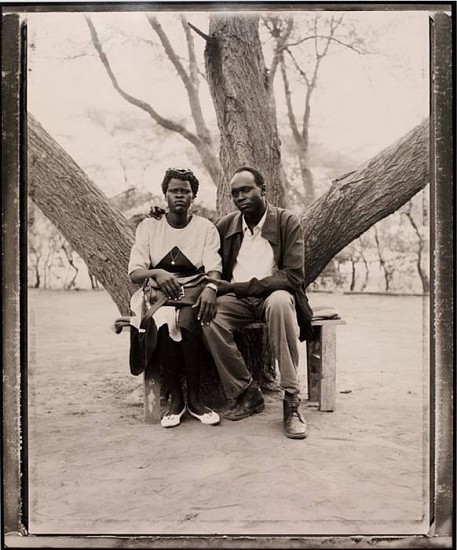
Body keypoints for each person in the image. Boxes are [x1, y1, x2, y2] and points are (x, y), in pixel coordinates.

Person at [202, 166, 313, 439]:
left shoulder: (288, 222)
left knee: (279, 303)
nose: (241, 197)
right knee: (208, 317)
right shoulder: (226, 225)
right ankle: (247, 391)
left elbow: (293, 277)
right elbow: (202, 250)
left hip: (273, 297)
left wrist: (239, 287)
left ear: (263, 190)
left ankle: (291, 400)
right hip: (238, 301)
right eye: (235, 193)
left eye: (247, 190)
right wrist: (160, 219)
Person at [128, 168, 222, 428]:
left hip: (194, 288)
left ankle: (195, 399)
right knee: (165, 321)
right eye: (174, 191)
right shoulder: (149, 226)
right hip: (159, 293)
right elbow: (135, 272)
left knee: (192, 320)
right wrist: (158, 272)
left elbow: (213, 266)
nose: (179, 195)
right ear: (165, 195)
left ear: (193, 196)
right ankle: (176, 400)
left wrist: (210, 288)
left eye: (185, 191)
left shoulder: (205, 228)